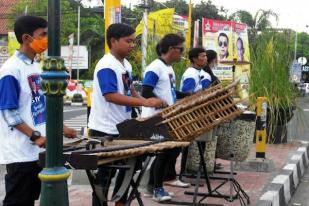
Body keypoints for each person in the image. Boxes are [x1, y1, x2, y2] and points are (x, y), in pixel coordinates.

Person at [0, 15, 77, 206]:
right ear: (27, 38)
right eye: (43, 34)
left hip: (38, 151)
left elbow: (40, 106)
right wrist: (36, 137)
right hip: (21, 153)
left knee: (31, 199)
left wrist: (61, 127)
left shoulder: (36, 66)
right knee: (18, 201)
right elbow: (9, 113)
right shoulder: (11, 70)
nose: (47, 39)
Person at [87, 23, 164, 206]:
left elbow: (130, 91)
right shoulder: (107, 65)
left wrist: (145, 102)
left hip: (123, 127)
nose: (132, 45)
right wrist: (145, 102)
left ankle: (121, 201)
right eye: (128, 41)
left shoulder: (125, 64)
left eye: (134, 41)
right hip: (105, 129)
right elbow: (110, 95)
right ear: (113, 41)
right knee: (104, 177)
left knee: (131, 166)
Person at [141, 33, 187, 202]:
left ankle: (153, 186)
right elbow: (145, 91)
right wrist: (158, 102)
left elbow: (170, 92)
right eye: (180, 49)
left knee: (171, 151)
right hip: (156, 118)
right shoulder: (155, 67)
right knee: (164, 153)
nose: (182, 53)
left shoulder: (168, 67)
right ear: (170, 49)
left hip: (167, 117)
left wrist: (187, 95)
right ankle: (157, 189)